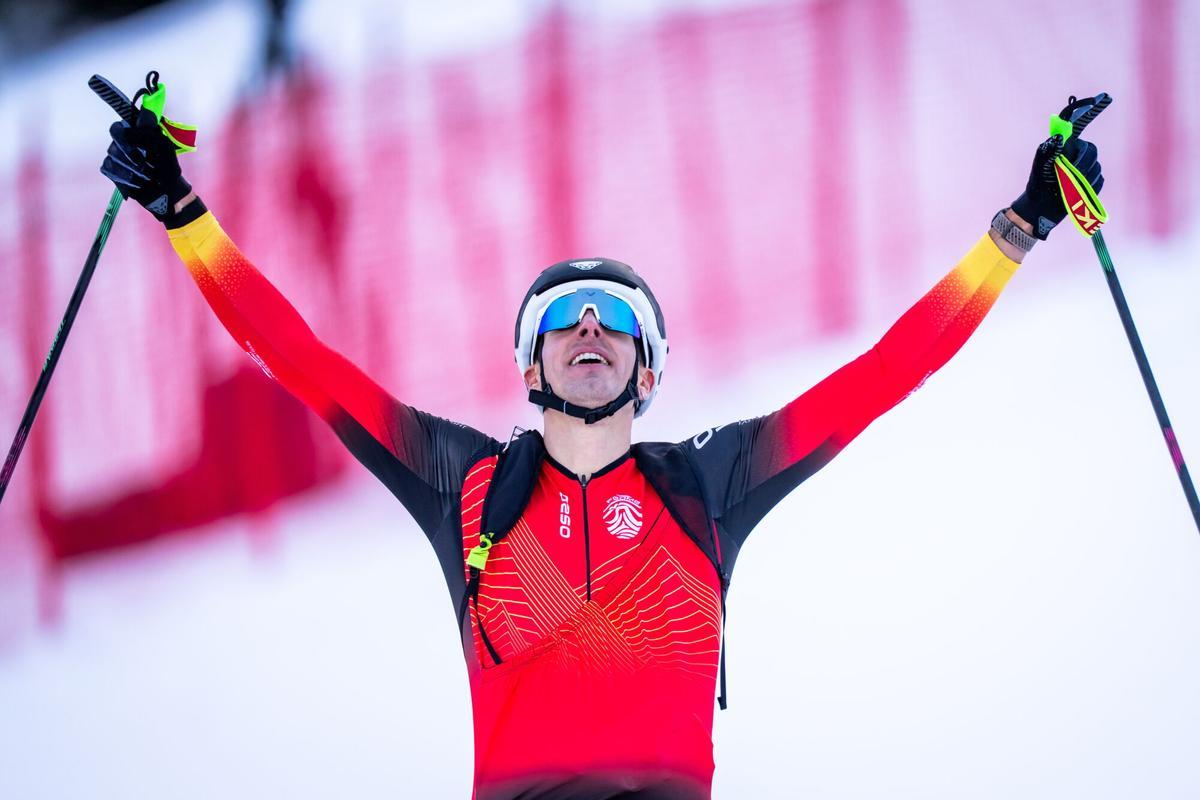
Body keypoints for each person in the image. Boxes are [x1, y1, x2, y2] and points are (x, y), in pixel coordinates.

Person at [101, 97, 1102, 799]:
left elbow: (886, 371)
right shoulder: (466, 481)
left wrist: (1019, 228)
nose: (589, 326)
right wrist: (182, 214)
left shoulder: (709, 481)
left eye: (614, 318)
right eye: (564, 317)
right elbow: (299, 359)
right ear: (530, 363)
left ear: (647, 367)